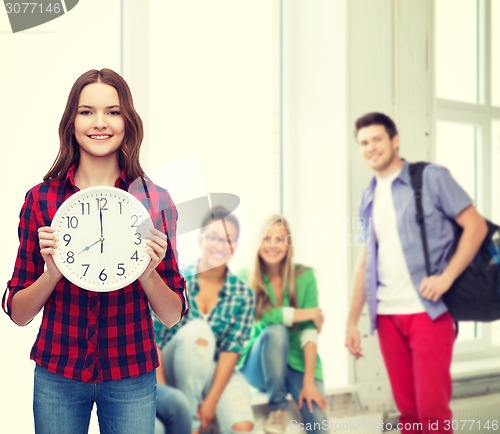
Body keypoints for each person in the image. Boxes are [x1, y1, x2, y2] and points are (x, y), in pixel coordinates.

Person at [2, 68, 189, 434]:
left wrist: (148, 272)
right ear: (71, 121)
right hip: (59, 371)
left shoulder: (154, 202)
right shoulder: (41, 200)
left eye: (113, 111)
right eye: (87, 111)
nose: (99, 122)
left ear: (127, 122)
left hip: (131, 374)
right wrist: (52, 272)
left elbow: (171, 315)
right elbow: (18, 312)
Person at [345, 112, 488, 433]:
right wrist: (352, 321)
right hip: (386, 316)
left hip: (428, 311)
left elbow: (475, 227)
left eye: (377, 139)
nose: (371, 148)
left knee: (432, 413)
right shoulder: (367, 197)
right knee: (408, 414)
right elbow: (364, 262)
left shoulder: (431, 178)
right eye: (363, 143)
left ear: (395, 140)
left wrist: (447, 277)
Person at [153, 206, 255, 434]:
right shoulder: (177, 281)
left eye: (227, 240)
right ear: (200, 240)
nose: (219, 246)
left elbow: (231, 352)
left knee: (242, 427)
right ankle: (192, 425)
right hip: (171, 369)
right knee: (198, 332)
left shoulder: (243, 294)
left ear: (235, 247)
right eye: (213, 237)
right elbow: (155, 343)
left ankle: (201, 419)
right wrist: (170, 399)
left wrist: (210, 403)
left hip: (215, 373)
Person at [238, 215, 328, 434]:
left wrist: (308, 381)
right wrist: (309, 312)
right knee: (276, 332)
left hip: (296, 363)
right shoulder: (245, 277)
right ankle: (278, 408)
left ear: (288, 245)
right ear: (258, 242)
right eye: (266, 238)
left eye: (279, 239)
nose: (272, 245)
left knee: (319, 423)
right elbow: (263, 315)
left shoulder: (305, 276)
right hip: (258, 364)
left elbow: (309, 330)